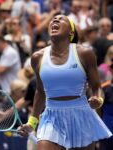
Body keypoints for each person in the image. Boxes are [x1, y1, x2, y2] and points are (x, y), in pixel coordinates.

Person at [18, 14, 112, 150]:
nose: (55, 20)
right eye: (53, 19)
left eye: (62, 19)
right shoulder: (37, 57)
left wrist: (98, 100)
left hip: (81, 116)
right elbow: (40, 91)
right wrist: (32, 122)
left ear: (71, 32)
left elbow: (97, 87)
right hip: (52, 117)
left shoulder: (85, 53)